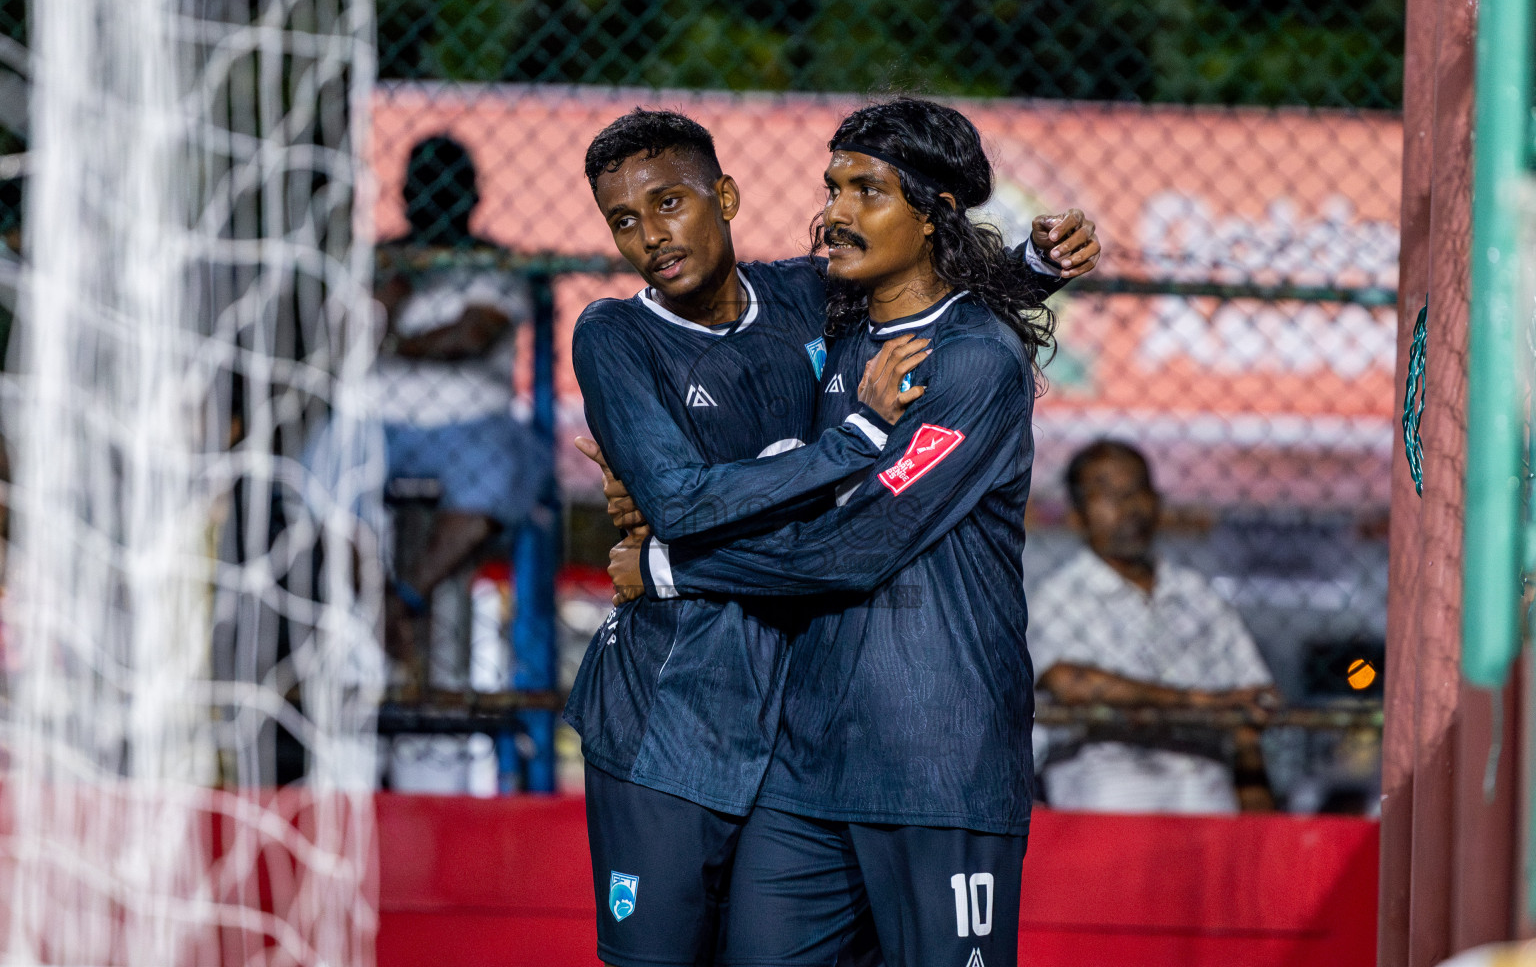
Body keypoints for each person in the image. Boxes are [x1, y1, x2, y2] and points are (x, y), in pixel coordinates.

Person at [569, 107, 1100, 967]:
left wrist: (670, 566)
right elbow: (685, 499)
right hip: (734, 737)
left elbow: (854, 543)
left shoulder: (898, 334)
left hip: (906, 752)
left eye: (669, 203)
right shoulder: (656, 333)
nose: (838, 212)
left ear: (725, 197)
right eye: (834, 187)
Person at [373, 135, 550, 695]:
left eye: (446, 189)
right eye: (422, 189)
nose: (433, 203)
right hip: (377, 417)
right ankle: (379, 603)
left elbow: (469, 337)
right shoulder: (384, 261)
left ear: (472, 197)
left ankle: (407, 599)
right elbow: (352, 331)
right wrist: (398, 293)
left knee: (501, 472)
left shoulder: (493, 265)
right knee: (316, 476)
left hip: (473, 421)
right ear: (403, 196)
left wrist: (393, 340)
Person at [1029, 439, 1281, 813]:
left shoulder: (1197, 594)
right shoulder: (1059, 596)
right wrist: (1201, 704)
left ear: (1158, 501)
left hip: (1206, 804)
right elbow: (1071, 683)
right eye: (1108, 495)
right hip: (1110, 810)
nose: (1129, 509)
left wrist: (1256, 803)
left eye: (1137, 491)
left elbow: (1253, 699)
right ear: (1078, 517)